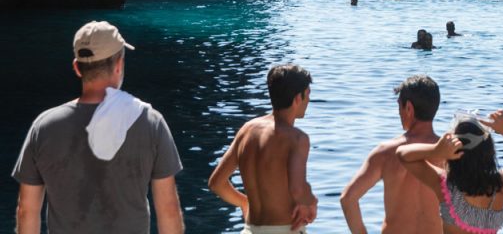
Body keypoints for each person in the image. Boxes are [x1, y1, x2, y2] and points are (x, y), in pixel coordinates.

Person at [13, 20, 184, 234]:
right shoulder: (150, 122)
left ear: (77, 67)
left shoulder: (44, 126)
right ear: (119, 65)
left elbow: (27, 211)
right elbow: (168, 210)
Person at [208, 63, 317, 233]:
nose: (309, 100)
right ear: (297, 98)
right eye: (307, 95)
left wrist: (244, 202)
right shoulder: (296, 138)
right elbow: (297, 189)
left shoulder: (247, 130)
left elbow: (216, 183)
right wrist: (311, 201)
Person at [397, 109, 503, 232]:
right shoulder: (501, 186)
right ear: (489, 151)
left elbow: (403, 155)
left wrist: (436, 150)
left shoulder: (444, 187)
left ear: (454, 154)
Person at [340, 75, 443, 234]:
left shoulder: (385, 153)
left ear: (408, 108)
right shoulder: (451, 153)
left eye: (399, 106)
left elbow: (348, 199)